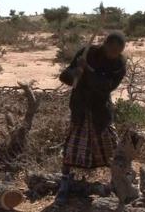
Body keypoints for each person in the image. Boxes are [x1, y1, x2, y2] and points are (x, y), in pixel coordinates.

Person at [55, 31, 127, 205]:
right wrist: (76, 72)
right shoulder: (88, 52)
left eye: (118, 50)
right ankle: (64, 184)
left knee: (112, 149)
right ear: (105, 44)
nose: (114, 53)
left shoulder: (119, 65)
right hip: (80, 107)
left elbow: (106, 87)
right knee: (71, 149)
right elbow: (65, 77)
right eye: (111, 49)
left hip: (100, 112)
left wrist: (88, 70)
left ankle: (116, 184)